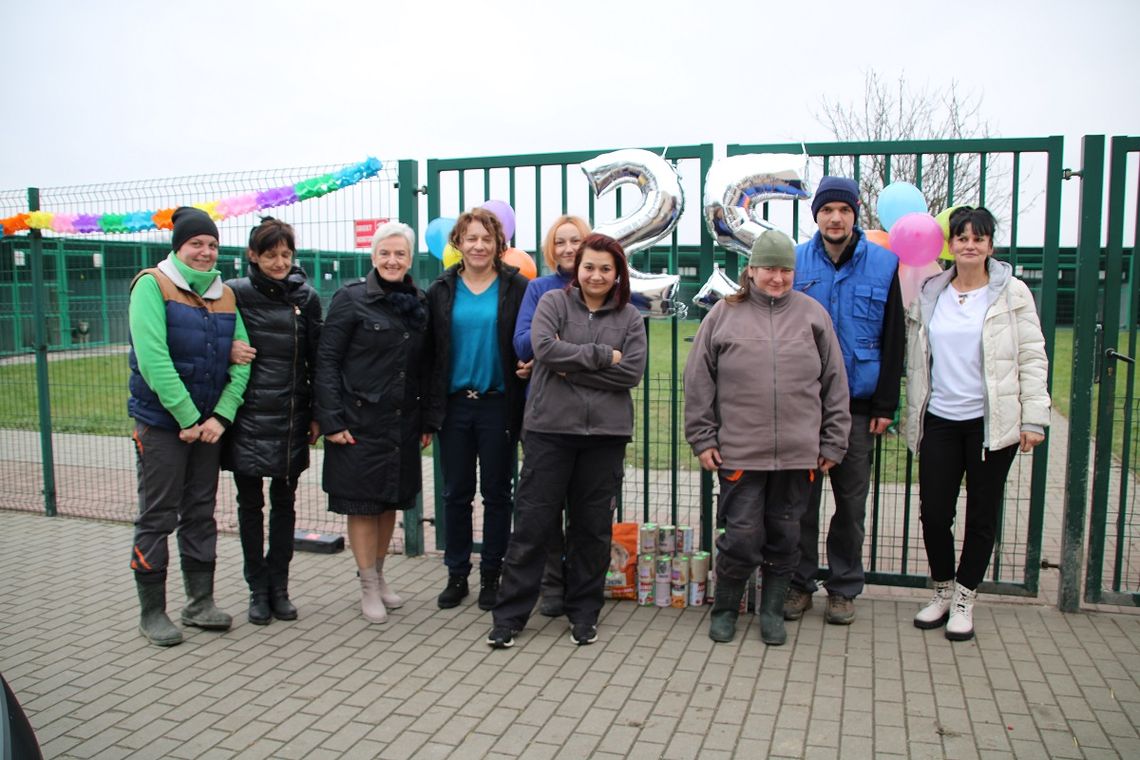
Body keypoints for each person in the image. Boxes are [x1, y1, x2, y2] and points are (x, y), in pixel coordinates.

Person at [685, 230, 851, 646]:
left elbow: (835, 382)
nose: (777, 277)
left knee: (785, 535)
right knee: (741, 537)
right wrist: (703, 437)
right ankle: (725, 609)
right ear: (752, 270)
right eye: (769, 269)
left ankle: (772, 612)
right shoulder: (723, 314)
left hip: (799, 455)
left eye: (785, 269)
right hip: (741, 451)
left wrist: (833, 441)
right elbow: (699, 380)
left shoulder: (813, 315)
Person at [488, 233, 647, 649]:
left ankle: (584, 613)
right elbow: (542, 348)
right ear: (577, 269)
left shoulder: (630, 317)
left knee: (592, 530)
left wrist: (569, 363)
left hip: (605, 437)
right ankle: (509, 616)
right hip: (549, 432)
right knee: (532, 526)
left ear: (617, 275)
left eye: (605, 269)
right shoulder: (552, 303)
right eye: (588, 266)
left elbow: (630, 372)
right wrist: (600, 356)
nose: (595, 275)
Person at [906, 206, 1049, 641]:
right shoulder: (931, 291)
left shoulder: (1013, 293)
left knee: (981, 516)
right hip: (940, 420)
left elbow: (1031, 355)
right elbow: (916, 359)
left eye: (979, 238)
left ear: (990, 245)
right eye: (961, 237)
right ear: (949, 244)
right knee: (933, 513)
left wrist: (1035, 418)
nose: (970, 245)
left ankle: (966, 597)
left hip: (991, 423)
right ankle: (943, 589)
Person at [128, 206, 251, 647]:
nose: (205, 252)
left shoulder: (226, 295)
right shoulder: (152, 285)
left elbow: (242, 360)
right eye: (196, 244)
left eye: (212, 245)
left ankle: (200, 602)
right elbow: (153, 359)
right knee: (158, 514)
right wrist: (188, 418)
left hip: (207, 429)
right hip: (163, 425)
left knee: (200, 513)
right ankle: (152, 611)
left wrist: (220, 417)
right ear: (178, 247)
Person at [785, 176, 904, 626]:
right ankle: (799, 584)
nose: (836, 218)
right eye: (827, 210)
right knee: (800, 503)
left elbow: (895, 339)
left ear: (856, 214)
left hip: (857, 408)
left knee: (851, 505)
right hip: (803, 406)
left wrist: (886, 404)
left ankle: (843, 587)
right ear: (816, 215)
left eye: (845, 210)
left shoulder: (884, 264)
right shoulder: (794, 262)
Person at [315, 222, 436, 624]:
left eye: (400, 254)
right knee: (363, 506)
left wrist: (425, 421)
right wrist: (331, 420)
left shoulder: (417, 302)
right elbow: (327, 362)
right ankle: (366, 584)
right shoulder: (350, 299)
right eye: (385, 253)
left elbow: (424, 368)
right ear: (373, 256)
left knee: (389, 504)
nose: (392, 260)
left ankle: (380, 576)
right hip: (357, 423)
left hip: (400, 424)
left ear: (409, 259)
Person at [426, 208, 529, 611]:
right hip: (454, 407)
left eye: (486, 238)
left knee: (498, 494)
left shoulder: (516, 287)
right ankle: (456, 574)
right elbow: (431, 351)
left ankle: (491, 574)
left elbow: (530, 335)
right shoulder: (441, 289)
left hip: (498, 405)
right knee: (455, 494)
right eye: (471, 238)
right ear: (458, 243)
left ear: (498, 244)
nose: (479, 245)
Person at [222, 217, 322, 625]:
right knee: (250, 505)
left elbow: (319, 360)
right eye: (270, 255)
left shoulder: (308, 298)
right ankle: (256, 588)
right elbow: (209, 335)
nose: (279, 262)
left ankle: (279, 587)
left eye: (285, 254)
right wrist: (227, 348)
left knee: (285, 504)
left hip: (292, 415)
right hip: (246, 415)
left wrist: (317, 413)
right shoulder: (233, 294)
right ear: (252, 256)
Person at [511, 214, 591, 618]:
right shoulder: (538, 289)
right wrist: (558, 352)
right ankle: (551, 584)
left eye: (576, 240)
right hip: (542, 412)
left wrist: (553, 350)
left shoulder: (602, 285)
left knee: (585, 506)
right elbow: (524, 343)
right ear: (550, 247)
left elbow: (616, 346)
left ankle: (581, 584)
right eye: (560, 241)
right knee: (544, 504)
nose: (568, 248)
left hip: (593, 416)